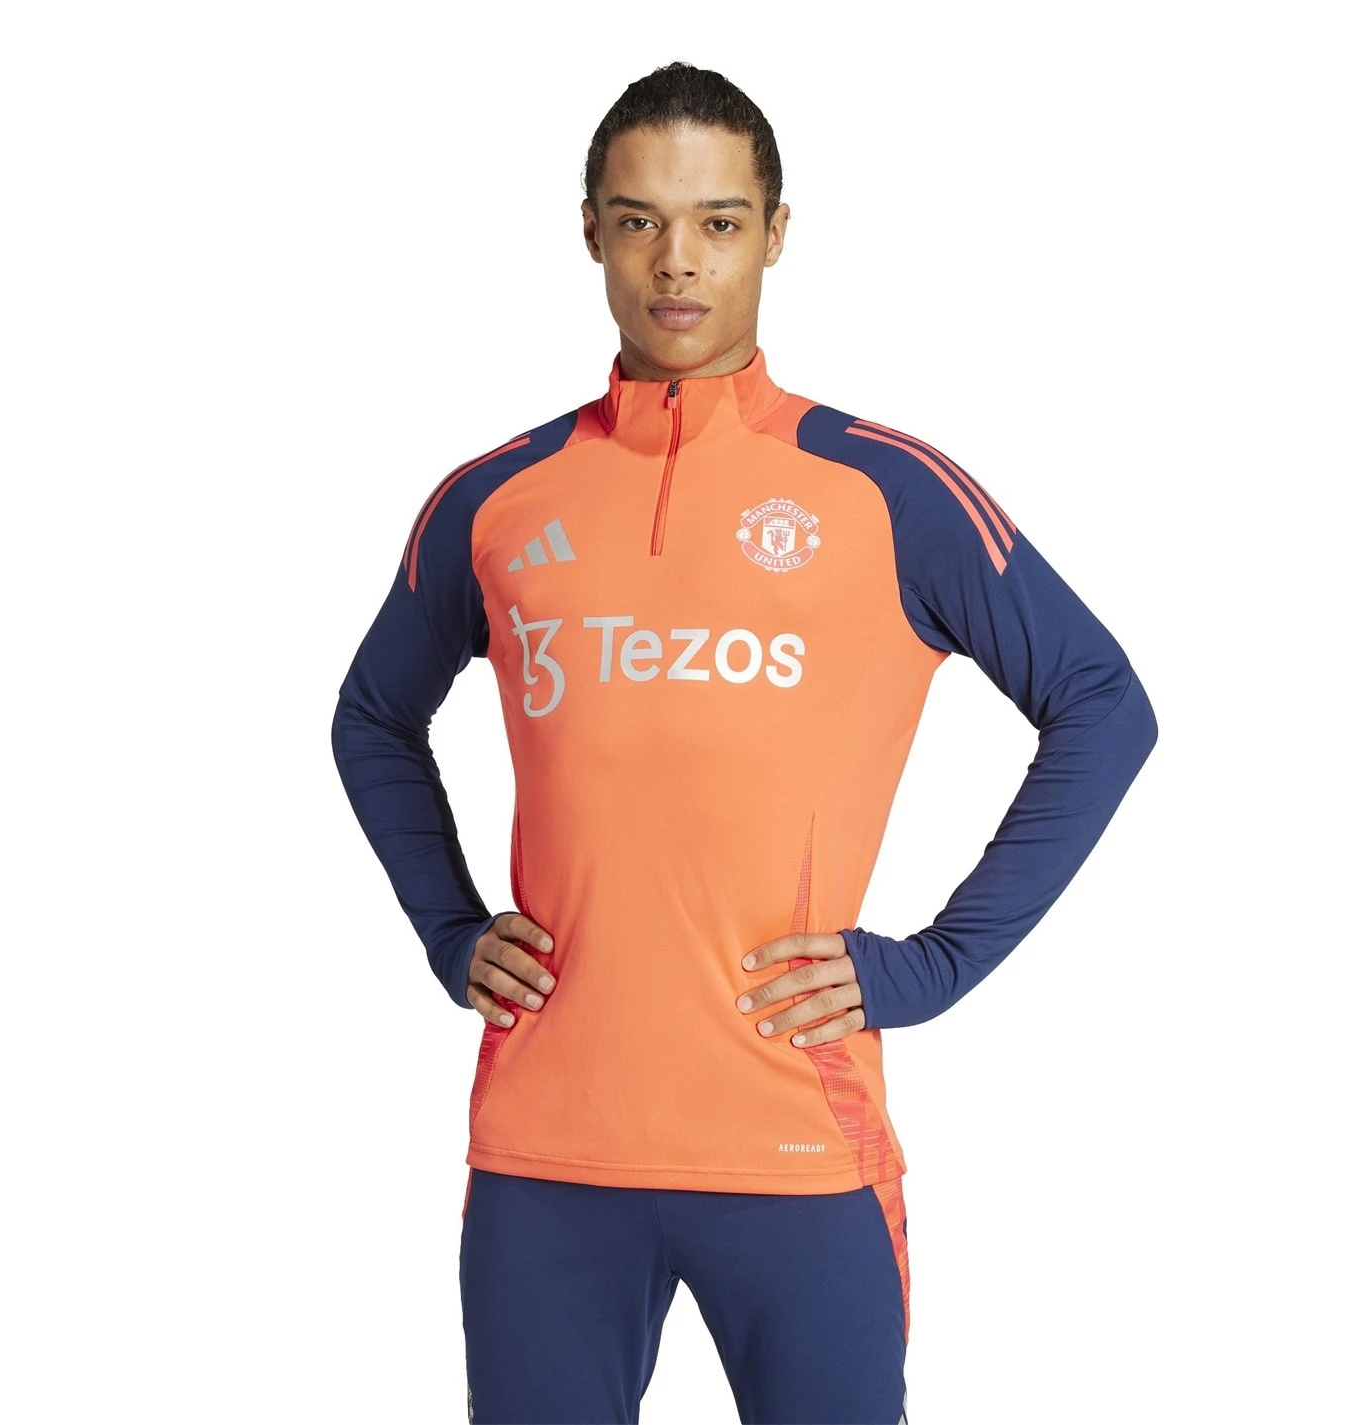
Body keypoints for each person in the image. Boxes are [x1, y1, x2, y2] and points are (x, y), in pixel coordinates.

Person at [331, 59, 1157, 1425]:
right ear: (591, 232)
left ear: (775, 233)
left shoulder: (884, 490)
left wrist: (938, 964)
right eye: (640, 219)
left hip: (798, 1147)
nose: (678, 260)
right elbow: (372, 716)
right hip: (546, 1155)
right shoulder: (496, 498)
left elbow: (1102, 701)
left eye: (718, 222)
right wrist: (446, 928)